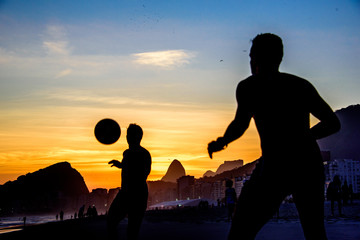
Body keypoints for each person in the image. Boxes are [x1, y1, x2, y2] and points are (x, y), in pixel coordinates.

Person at [208, 33, 340, 240]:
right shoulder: (300, 85)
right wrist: (303, 138)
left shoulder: (249, 87)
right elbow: (333, 123)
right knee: (314, 230)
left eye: (252, 57)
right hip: (305, 163)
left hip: (276, 165)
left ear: (258, 59)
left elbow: (240, 125)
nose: (250, 62)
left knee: (241, 229)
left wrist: (221, 142)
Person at [107, 124, 152, 240]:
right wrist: (121, 165)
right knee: (111, 221)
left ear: (138, 137)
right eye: (127, 135)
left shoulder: (144, 154)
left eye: (130, 135)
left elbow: (143, 174)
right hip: (126, 193)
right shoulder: (126, 153)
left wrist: (126, 166)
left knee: (132, 230)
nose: (127, 138)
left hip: (137, 194)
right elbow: (132, 168)